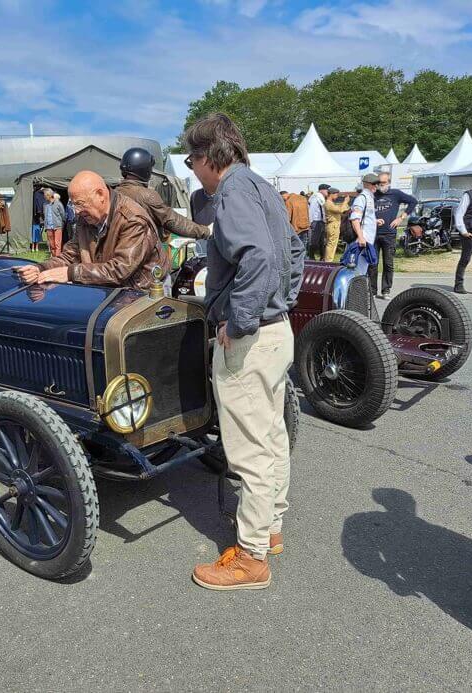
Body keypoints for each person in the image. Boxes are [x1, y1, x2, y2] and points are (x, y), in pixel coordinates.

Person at [176, 113, 304, 591]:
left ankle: (250, 558)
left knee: (249, 449)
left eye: (192, 160)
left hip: (251, 337)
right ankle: (268, 530)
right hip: (276, 331)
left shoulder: (230, 192)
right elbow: (292, 252)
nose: (192, 170)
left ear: (209, 157)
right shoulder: (263, 187)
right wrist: (279, 305)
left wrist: (243, 317)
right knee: (270, 436)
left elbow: (261, 257)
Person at [14, 171, 165, 289]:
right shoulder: (85, 218)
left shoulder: (133, 219)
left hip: (141, 294)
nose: (77, 211)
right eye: (74, 205)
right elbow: (70, 256)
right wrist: (40, 268)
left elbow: (120, 270)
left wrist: (70, 273)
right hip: (107, 291)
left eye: (80, 204)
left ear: (100, 195)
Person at [117, 147, 210, 242]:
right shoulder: (147, 195)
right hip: (141, 253)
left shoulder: (115, 192)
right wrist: (206, 231)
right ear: (146, 170)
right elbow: (173, 221)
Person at [372, 172, 417, 298]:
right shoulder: (373, 194)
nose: (381, 185)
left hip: (389, 234)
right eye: (379, 183)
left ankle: (386, 290)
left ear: (389, 182)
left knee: (388, 263)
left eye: (383, 183)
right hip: (373, 234)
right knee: (373, 264)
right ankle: (372, 290)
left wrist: (401, 218)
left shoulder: (395, 193)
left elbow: (413, 201)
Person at [349, 173, 379, 276]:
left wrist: (375, 221)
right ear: (366, 184)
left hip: (368, 240)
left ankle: (358, 290)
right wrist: (361, 237)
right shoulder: (362, 198)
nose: (376, 186)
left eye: (377, 184)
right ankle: (355, 291)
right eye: (374, 184)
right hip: (362, 241)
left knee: (363, 269)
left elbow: (365, 217)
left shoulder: (369, 197)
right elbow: (355, 219)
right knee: (357, 270)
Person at [323, 188, 353, 262]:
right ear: (331, 194)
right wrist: (345, 202)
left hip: (334, 225)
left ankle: (329, 260)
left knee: (333, 244)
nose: (337, 196)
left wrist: (345, 204)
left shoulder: (331, 203)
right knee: (331, 244)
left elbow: (343, 209)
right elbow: (340, 210)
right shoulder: (328, 203)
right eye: (336, 194)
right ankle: (328, 261)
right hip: (333, 225)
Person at [307, 184, 330, 259]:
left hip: (319, 221)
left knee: (321, 241)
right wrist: (310, 221)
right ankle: (311, 257)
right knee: (315, 241)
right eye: (327, 190)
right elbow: (312, 210)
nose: (328, 191)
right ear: (321, 190)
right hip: (316, 221)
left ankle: (322, 257)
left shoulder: (319, 197)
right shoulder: (317, 197)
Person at [42, 189, 65, 257]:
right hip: (48, 227)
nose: (44, 196)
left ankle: (57, 260)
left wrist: (61, 224)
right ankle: (54, 258)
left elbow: (63, 215)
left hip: (57, 226)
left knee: (57, 244)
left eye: (45, 195)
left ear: (49, 195)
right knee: (52, 245)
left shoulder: (58, 203)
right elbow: (44, 215)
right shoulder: (45, 204)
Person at [31, 186, 46, 252]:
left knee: (35, 233)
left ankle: (34, 248)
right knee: (36, 233)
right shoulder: (38, 194)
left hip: (36, 218)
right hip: (36, 218)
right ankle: (35, 247)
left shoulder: (36, 194)